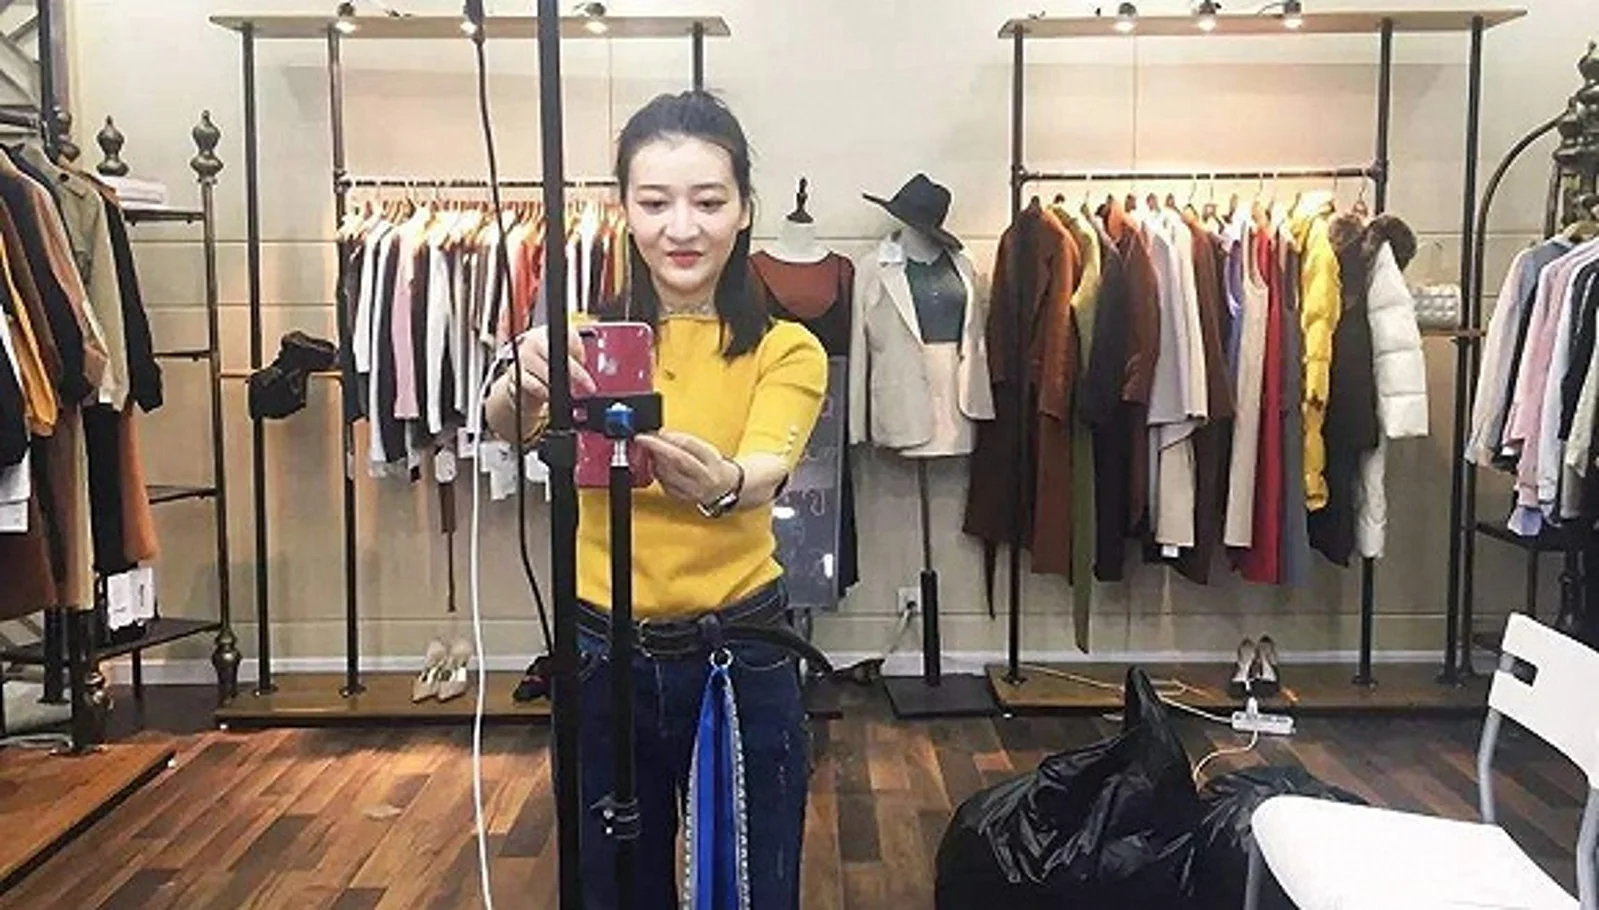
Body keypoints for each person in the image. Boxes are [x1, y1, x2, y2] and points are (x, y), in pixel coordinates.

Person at [484, 90, 826, 909]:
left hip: (737, 650)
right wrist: (518, 381)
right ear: (623, 211)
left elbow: (765, 466)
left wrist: (724, 486)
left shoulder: (785, 349)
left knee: (749, 884)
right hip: (600, 652)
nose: (682, 228)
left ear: (744, 209)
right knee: (609, 886)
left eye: (708, 202)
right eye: (654, 203)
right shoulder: (577, 340)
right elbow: (509, 428)